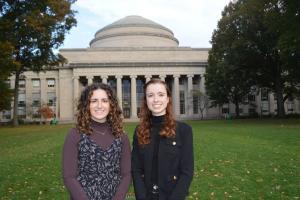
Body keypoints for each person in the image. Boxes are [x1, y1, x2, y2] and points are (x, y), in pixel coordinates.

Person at [63, 83, 131, 200]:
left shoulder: (122, 136)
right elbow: (69, 176)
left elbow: (127, 174)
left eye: (104, 100)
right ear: (86, 105)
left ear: (111, 104)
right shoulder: (75, 134)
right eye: (94, 101)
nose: (99, 105)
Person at [132, 78, 194, 200]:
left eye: (161, 94)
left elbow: (187, 171)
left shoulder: (184, 130)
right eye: (150, 95)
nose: (156, 99)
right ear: (146, 101)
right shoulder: (139, 131)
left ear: (167, 99)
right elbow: (136, 170)